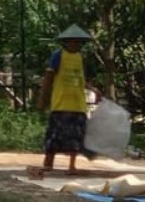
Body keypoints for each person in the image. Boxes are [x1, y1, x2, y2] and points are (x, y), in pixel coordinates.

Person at [37, 24, 101, 172]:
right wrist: (42, 99)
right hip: (61, 103)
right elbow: (48, 78)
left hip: (78, 104)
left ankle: (72, 165)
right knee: (55, 134)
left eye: (78, 42)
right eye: (72, 41)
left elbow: (80, 79)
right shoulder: (58, 56)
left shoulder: (80, 58)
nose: (75, 44)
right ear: (66, 42)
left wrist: (92, 89)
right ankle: (48, 162)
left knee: (75, 137)